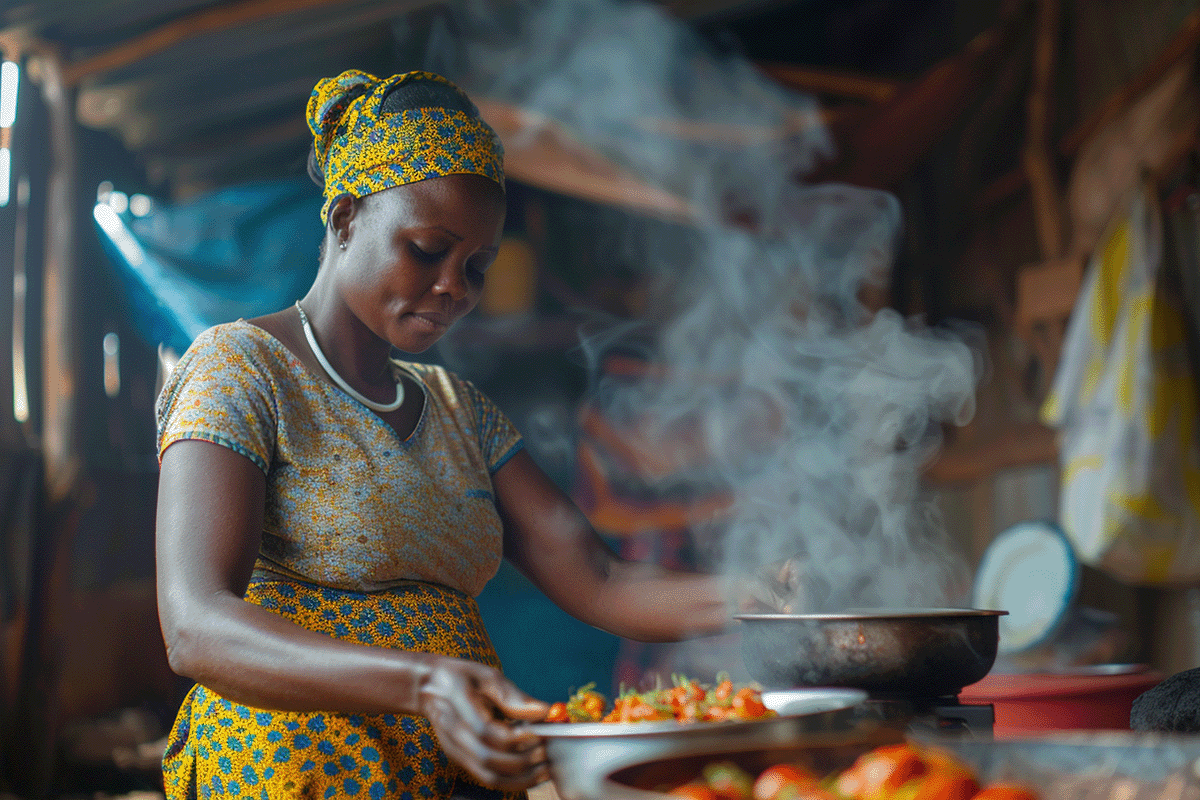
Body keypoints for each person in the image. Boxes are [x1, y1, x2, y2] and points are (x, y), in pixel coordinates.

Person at [154, 69, 739, 800]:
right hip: (294, 775)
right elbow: (196, 625)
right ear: (345, 219)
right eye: (428, 249)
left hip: (452, 777)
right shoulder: (241, 368)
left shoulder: (459, 409)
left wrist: (763, 597)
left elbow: (602, 581)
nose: (454, 287)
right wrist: (425, 682)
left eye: (476, 266)